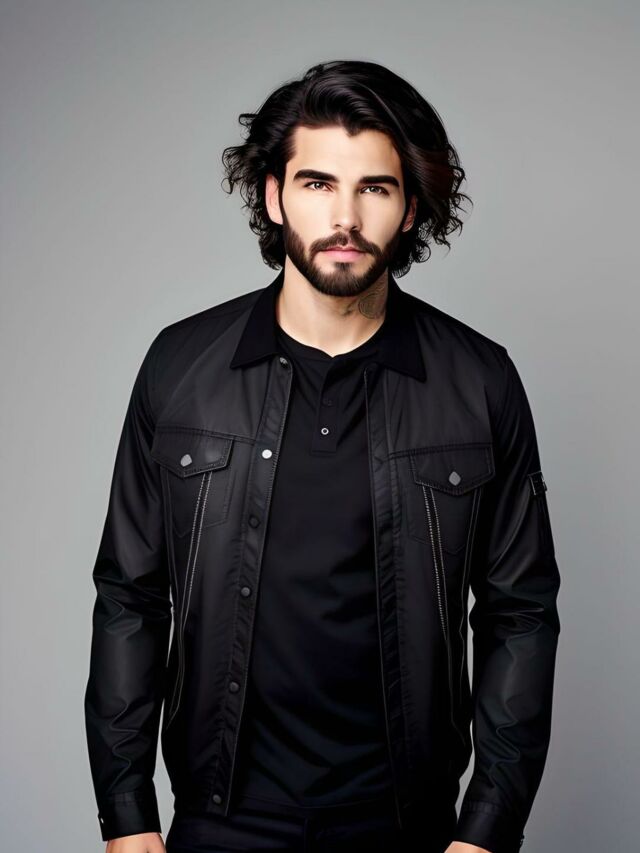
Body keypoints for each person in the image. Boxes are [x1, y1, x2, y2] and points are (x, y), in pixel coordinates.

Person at [84, 59, 561, 853]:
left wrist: (487, 829)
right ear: (274, 196)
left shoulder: (479, 382)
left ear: (411, 207)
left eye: (375, 188)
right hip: (221, 823)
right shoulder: (181, 369)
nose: (345, 216)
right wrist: (127, 816)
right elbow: (130, 596)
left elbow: (522, 612)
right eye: (317, 183)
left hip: (405, 827)